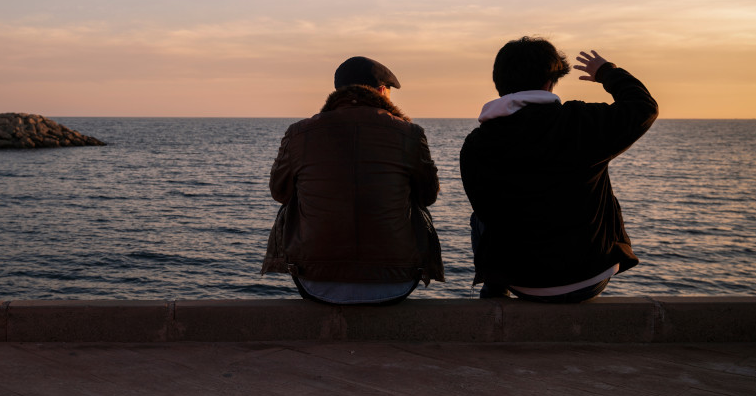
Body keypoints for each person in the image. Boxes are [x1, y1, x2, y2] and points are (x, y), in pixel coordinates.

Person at [459, 37, 658, 303]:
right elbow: (643, 107)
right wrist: (606, 71)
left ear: (499, 85)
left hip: (521, 282)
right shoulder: (581, 123)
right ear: (550, 81)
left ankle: (495, 290)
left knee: (479, 217)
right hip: (589, 278)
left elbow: (484, 208)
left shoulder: (477, 143)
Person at [261, 56, 444, 304]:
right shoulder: (409, 134)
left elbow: (279, 193)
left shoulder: (299, 133)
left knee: (293, 197)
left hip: (314, 281)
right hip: (396, 281)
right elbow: (428, 196)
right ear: (381, 91)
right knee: (415, 202)